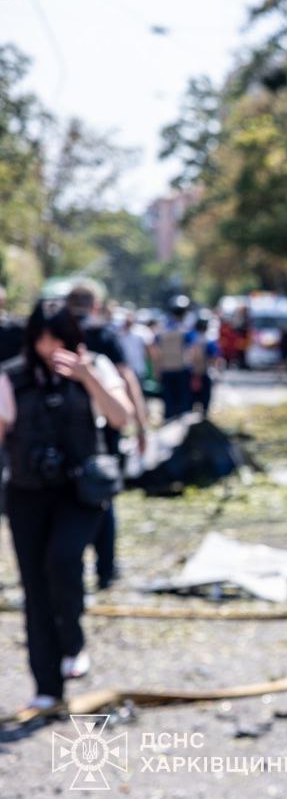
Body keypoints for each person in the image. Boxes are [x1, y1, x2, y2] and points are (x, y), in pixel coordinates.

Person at [0, 302, 132, 714]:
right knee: (35, 589)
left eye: (58, 338)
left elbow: (120, 417)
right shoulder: (12, 377)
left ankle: (73, 641)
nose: (49, 347)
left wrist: (85, 376)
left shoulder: (97, 368)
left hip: (81, 492)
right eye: (42, 337)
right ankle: (47, 685)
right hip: (28, 492)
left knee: (63, 561)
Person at [66, 284, 149, 591]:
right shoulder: (104, 336)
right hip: (103, 433)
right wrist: (141, 425)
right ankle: (105, 567)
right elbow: (128, 380)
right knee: (103, 495)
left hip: (67, 435)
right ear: (96, 307)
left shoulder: (53, 336)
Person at [152, 295, 194, 419]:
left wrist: (157, 368)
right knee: (182, 401)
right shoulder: (185, 331)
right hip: (182, 368)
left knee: (168, 400)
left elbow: (156, 351)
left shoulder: (162, 329)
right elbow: (191, 351)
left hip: (166, 369)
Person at [189, 317, 218, 414]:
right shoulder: (209, 340)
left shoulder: (191, 338)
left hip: (192, 372)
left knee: (192, 397)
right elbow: (214, 358)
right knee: (205, 397)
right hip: (205, 372)